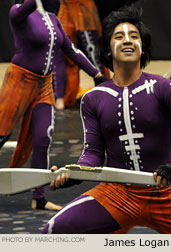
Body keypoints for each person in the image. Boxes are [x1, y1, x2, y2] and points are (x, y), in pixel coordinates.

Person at [42, 5, 171, 234]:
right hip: (116, 194)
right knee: (52, 232)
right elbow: (93, 154)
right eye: (119, 37)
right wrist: (74, 174)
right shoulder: (93, 99)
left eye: (134, 36)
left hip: (165, 191)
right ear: (108, 51)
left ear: (142, 48)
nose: (127, 41)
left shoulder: (163, 87)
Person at [0, 0, 105, 211]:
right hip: (20, 81)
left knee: (43, 138)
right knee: (1, 134)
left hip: (43, 86)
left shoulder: (53, 19)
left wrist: (97, 74)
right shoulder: (18, 13)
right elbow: (29, 5)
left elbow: (72, 50)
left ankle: (38, 198)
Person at [55, 0, 110, 110]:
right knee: (62, 51)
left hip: (84, 7)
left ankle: (105, 91)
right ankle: (61, 96)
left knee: (92, 52)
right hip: (66, 7)